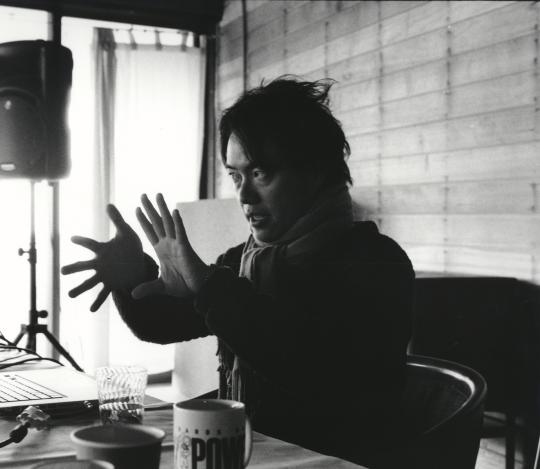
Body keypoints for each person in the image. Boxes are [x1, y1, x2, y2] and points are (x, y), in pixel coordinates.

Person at [61, 77, 414, 464]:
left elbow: (314, 370)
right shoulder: (244, 260)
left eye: (261, 173)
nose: (244, 195)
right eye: (235, 175)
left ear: (314, 170)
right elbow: (163, 324)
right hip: (251, 454)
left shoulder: (377, 263)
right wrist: (133, 278)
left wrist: (210, 288)